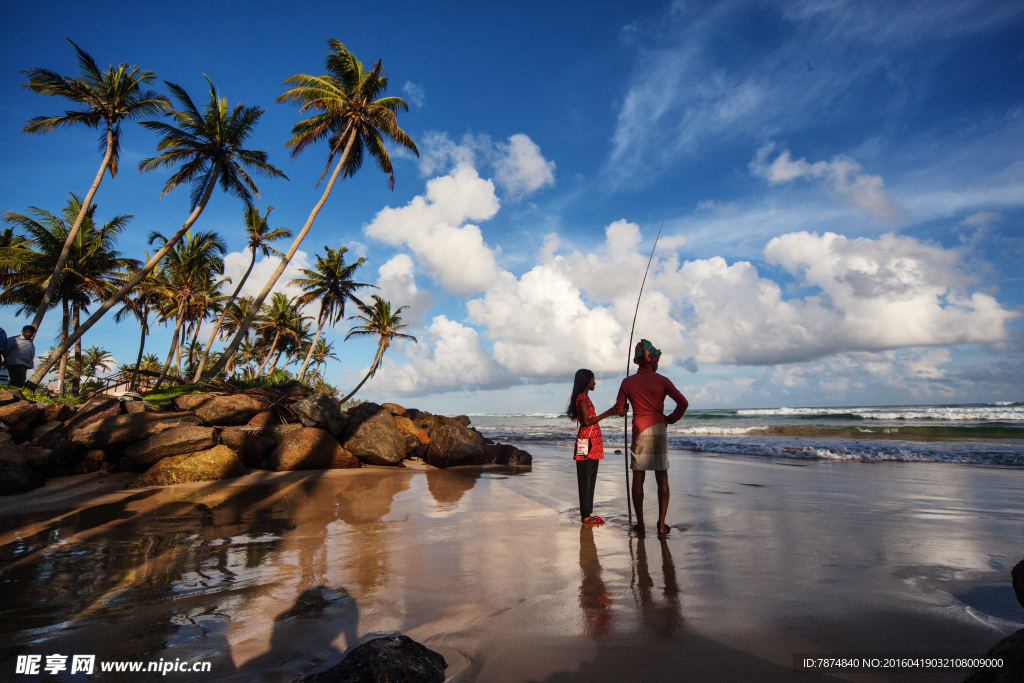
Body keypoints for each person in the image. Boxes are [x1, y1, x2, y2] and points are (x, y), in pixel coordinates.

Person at [614, 340, 688, 537]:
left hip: (639, 430)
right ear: (651, 362)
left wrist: (625, 408)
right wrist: (669, 420)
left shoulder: (627, 382)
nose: (658, 365)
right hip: (659, 430)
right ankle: (662, 525)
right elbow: (683, 402)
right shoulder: (662, 381)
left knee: (638, 477)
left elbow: (619, 410)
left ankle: (640, 523)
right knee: (661, 476)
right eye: (657, 361)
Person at [566, 368, 621, 525]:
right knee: (585, 478)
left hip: (592, 442)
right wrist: (609, 412)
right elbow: (588, 421)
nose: (594, 383)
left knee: (590, 478)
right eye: (593, 380)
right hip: (586, 441)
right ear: (586, 381)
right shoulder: (582, 398)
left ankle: (587, 513)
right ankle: (585, 515)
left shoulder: (585, 398)